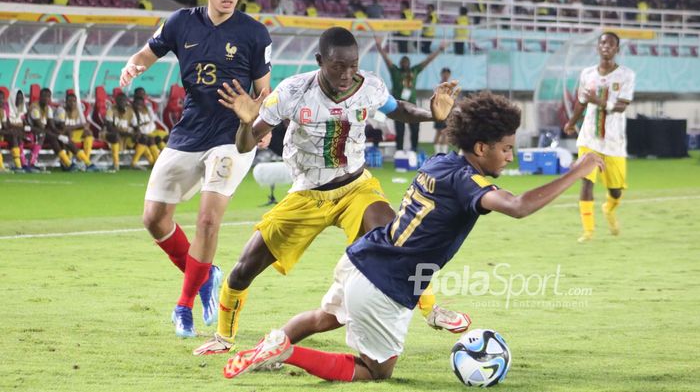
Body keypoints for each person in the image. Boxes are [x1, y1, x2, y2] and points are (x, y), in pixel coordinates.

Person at [222, 92, 605, 382]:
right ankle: (286, 353)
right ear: (481, 147)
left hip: (361, 258)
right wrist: (578, 169)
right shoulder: (466, 181)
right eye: (506, 149)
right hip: (386, 285)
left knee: (327, 317)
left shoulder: (439, 162)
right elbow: (518, 206)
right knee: (375, 371)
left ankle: (269, 346)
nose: (510, 156)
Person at [194, 27, 468, 356]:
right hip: (308, 193)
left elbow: (398, 109)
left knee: (398, 238)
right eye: (339, 66)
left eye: (353, 65)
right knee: (245, 267)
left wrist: (432, 115)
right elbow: (244, 144)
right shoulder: (292, 91)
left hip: (356, 187)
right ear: (320, 61)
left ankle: (432, 311)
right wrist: (244, 123)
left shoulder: (370, 87)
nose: (347, 74)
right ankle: (224, 339)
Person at [118, 0, 272, 338]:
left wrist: (259, 120)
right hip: (189, 131)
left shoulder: (254, 33)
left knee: (207, 219)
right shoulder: (180, 22)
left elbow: (264, 93)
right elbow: (146, 53)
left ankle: (183, 306)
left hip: (232, 138)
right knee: (153, 218)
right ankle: (205, 276)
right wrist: (133, 66)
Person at [564, 32, 635, 243]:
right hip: (589, 138)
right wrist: (571, 122)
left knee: (615, 190)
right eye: (603, 43)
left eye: (611, 44)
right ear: (597, 47)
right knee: (586, 181)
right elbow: (582, 101)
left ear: (617, 50)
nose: (606, 47)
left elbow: (622, 107)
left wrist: (600, 101)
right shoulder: (587, 74)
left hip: (614, 142)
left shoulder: (626, 75)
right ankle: (588, 231)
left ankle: (609, 209)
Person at [375, 35, 447, 152]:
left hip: (412, 106)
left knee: (415, 129)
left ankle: (414, 149)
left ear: (409, 63)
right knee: (400, 130)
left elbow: (427, 61)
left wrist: (439, 49)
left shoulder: (414, 71)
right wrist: (379, 46)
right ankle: (399, 151)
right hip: (398, 107)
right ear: (400, 63)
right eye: (403, 62)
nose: (405, 63)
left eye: (406, 62)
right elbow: (386, 58)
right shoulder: (395, 71)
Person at [54, 91, 97, 170]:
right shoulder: (61, 110)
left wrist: (85, 127)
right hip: (61, 135)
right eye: (70, 101)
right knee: (68, 133)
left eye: (74, 101)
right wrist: (80, 126)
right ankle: (69, 161)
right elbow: (63, 128)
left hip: (74, 134)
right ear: (66, 102)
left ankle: (85, 162)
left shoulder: (78, 110)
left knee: (88, 133)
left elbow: (85, 125)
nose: (72, 103)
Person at [433, 67, 452, 154]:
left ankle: (444, 153)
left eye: (447, 74)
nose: (445, 76)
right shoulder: (437, 86)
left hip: (448, 112)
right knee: (439, 132)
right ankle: (437, 153)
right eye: (444, 74)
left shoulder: (451, 87)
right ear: (441, 74)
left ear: (449, 75)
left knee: (446, 132)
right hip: (439, 111)